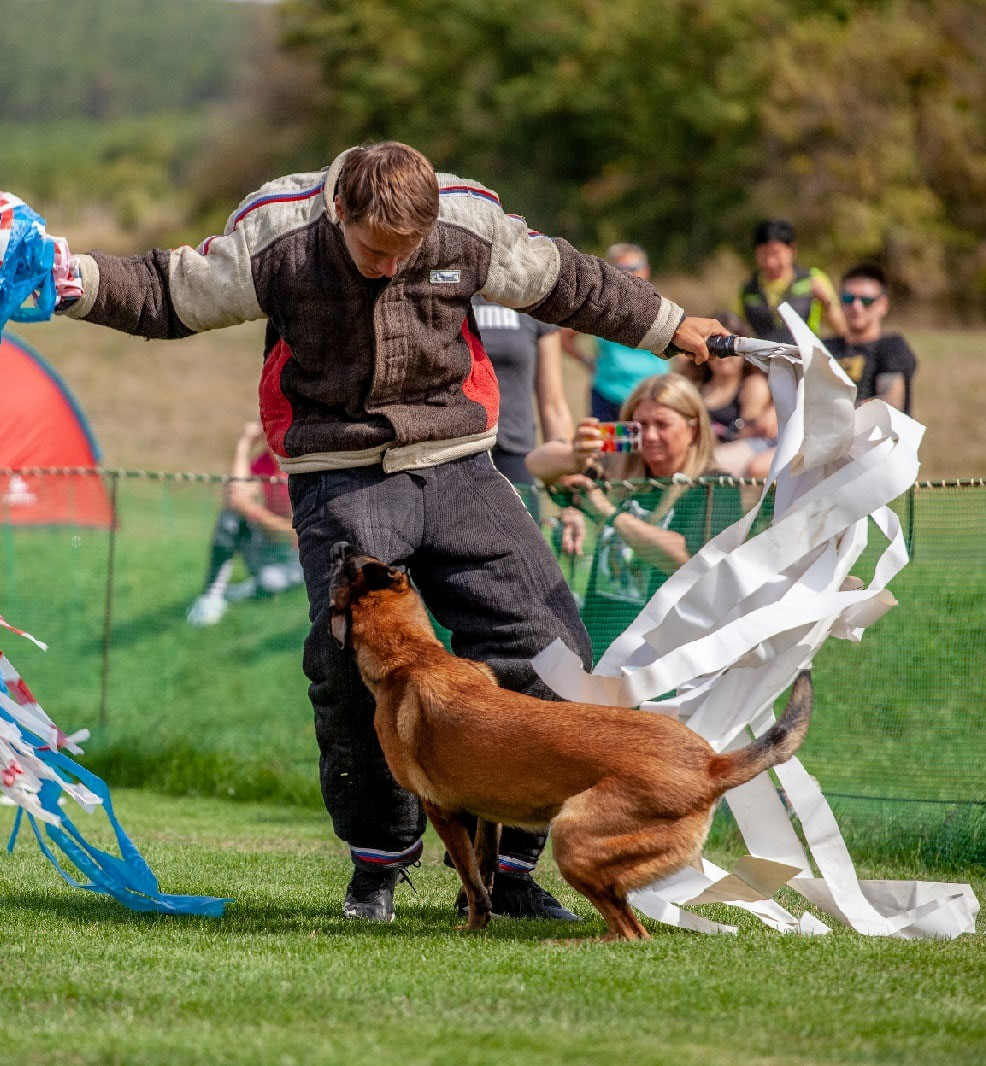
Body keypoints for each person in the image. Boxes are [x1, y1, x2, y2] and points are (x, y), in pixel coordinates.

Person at [54, 140, 729, 922]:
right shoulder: (279, 236)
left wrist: (671, 326)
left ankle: (510, 872)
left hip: (459, 461)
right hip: (340, 466)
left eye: (408, 253)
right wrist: (74, 281)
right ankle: (378, 865)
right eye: (375, 250)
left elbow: (568, 282)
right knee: (347, 664)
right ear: (340, 210)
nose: (389, 266)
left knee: (552, 648)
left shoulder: (466, 223)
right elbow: (169, 292)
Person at [527, 374, 744, 654]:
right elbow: (536, 464)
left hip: (667, 653)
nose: (650, 435)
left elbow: (684, 559)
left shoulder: (715, 487)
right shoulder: (622, 480)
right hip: (603, 642)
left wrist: (610, 514)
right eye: (641, 425)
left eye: (662, 424)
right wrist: (576, 455)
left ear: (693, 429)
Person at [186, 421, 303, 626]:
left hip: (297, 558)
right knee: (231, 516)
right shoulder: (265, 463)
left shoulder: (303, 469)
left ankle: (253, 588)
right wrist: (243, 445)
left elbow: (297, 533)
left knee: (270, 582)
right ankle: (212, 596)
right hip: (266, 545)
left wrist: (253, 512)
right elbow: (236, 494)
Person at [471, 294, 572, 516]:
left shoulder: (533, 300)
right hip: (455, 454)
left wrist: (567, 493)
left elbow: (553, 404)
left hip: (515, 452)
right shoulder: (448, 293)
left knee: (524, 547)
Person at [559, 243, 666, 420]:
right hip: (607, 395)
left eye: (633, 268)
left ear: (646, 270)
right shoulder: (600, 308)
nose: (628, 274)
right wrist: (586, 361)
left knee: (648, 445)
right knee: (607, 447)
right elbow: (564, 337)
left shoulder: (663, 309)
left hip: (651, 396)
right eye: (619, 269)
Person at [677, 311, 778, 478]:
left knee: (707, 462)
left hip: (742, 454)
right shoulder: (696, 388)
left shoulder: (752, 385)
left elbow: (749, 434)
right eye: (715, 347)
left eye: (728, 347)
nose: (722, 355)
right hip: (705, 453)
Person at [822, 263, 918, 413]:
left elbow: (889, 407)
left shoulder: (892, 347)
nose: (856, 306)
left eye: (866, 300)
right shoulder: (824, 348)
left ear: (883, 305)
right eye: (848, 298)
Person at [739, 219, 846, 343]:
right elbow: (741, 330)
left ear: (792, 250)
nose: (770, 262)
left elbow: (841, 328)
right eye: (763, 254)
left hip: (805, 356)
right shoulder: (749, 290)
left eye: (775, 253)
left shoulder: (812, 279)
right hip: (764, 359)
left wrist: (826, 303)